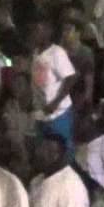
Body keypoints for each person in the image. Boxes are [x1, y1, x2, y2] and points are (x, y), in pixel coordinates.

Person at [29, 21, 78, 151]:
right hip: (41, 113)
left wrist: (56, 102)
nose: (34, 34)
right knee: (45, 152)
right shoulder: (35, 53)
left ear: (48, 31)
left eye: (38, 30)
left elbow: (71, 77)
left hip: (58, 113)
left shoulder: (56, 52)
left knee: (63, 150)